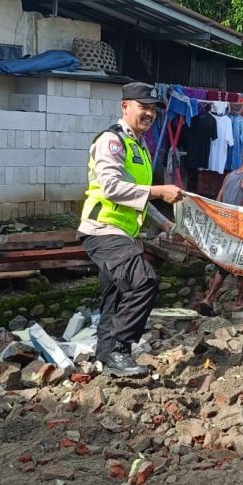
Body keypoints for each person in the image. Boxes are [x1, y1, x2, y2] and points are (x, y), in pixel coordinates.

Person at [79, 81, 185, 377]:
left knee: (113, 295)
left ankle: (105, 357)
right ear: (125, 106)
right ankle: (119, 350)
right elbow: (112, 188)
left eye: (153, 109)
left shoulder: (140, 146)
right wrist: (159, 190)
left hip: (123, 233)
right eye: (144, 107)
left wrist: (164, 223)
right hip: (103, 229)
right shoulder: (112, 141)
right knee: (143, 282)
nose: (149, 114)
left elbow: (136, 195)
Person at [196, 143, 243, 314]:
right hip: (240, 227)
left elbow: (218, 201)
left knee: (225, 266)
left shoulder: (229, 176)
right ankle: (240, 300)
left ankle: (209, 298)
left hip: (224, 227)